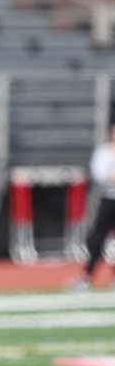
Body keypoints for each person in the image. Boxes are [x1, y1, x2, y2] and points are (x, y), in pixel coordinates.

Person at [72, 122, 115, 290]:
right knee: (98, 238)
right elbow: (100, 175)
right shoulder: (103, 152)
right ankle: (87, 276)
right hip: (108, 200)